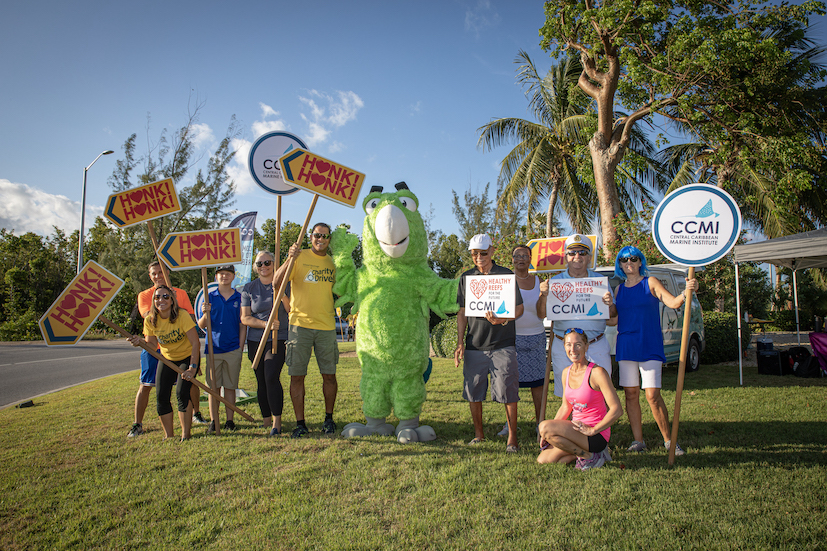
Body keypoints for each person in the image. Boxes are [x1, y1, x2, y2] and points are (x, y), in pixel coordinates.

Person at [609, 246, 698, 455]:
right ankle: (638, 441)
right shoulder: (618, 290)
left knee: (652, 395)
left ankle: (669, 441)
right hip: (626, 346)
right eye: (624, 259)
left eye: (633, 258)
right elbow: (613, 320)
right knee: (630, 394)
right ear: (619, 264)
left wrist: (686, 292)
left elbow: (673, 302)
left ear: (640, 262)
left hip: (649, 344)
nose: (628, 262)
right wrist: (595, 311)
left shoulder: (650, 282)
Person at [454, 234, 524, 453]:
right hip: (474, 345)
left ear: (492, 251)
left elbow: (519, 308)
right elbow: (462, 312)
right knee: (473, 391)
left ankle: (512, 438)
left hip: (503, 344)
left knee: (508, 391)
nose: (479, 257)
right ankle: (479, 435)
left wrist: (503, 319)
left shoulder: (506, 275)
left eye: (483, 253)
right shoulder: (466, 278)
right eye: (474, 253)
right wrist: (460, 342)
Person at [274, 224, 339, 438]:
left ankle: (329, 419)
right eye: (317, 235)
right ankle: (300, 424)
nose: (321, 239)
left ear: (329, 239)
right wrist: (289, 258)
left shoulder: (333, 263)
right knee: (296, 376)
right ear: (311, 237)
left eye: (325, 236)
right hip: (299, 325)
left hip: (326, 326)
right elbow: (276, 282)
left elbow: (342, 290)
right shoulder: (299, 256)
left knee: (329, 375)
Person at [540, 234, 617, 399]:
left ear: (589, 258)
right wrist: (543, 295)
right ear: (565, 257)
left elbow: (613, 316)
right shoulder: (555, 281)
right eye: (572, 253)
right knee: (567, 395)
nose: (577, 256)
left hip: (595, 345)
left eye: (582, 253)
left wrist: (610, 304)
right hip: (564, 346)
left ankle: (601, 417)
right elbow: (541, 314)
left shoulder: (600, 281)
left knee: (601, 393)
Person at [128, 261, 197, 438]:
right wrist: (140, 342)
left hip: (185, 356)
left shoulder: (181, 313)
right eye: (158, 298)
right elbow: (151, 344)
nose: (161, 300)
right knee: (159, 394)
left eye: (166, 297)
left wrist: (193, 367)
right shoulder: (150, 317)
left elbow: (195, 341)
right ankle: (168, 435)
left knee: (182, 392)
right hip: (165, 357)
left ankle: (186, 433)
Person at [537, 328, 623, 469]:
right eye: (569, 345)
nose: (573, 349)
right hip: (576, 430)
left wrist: (593, 430)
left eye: (578, 345)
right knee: (543, 459)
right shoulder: (566, 372)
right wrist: (547, 435)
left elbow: (617, 410)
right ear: (564, 347)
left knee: (544, 426)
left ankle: (588, 456)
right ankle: (591, 455)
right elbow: (566, 407)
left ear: (586, 346)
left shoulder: (597, 373)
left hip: (595, 434)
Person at [497, 244, 546, 438]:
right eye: (517, 255)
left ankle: (540, 423)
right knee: (510, 384)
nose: (521, 259)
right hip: (511, 339)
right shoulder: (505, 282)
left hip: (536, 338)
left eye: (525, 255)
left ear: (530, 259)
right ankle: (509, 425)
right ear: (512, 259)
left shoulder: (539, 282)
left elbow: (543, 312)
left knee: (538, 385)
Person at [241, 251, 290, 437]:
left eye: (267, 262)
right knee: (261, 380)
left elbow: (291, 309)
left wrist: (281, 291)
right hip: (255, 340)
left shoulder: (285, 283)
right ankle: (266, 420)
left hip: (278, 338)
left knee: (271, 376)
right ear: (255, 267)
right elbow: (245, 318)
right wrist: (266, 324)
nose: (263, 266)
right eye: (259, 263)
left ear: (274, 264)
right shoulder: (249, 288)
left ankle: (277, 422)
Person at [198, 265, 246, 434]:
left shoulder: (239, 298)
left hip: (233, 348)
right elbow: (201, 325)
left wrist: (240, 347)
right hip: (213, 349)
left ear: (233, 276)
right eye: (221, 273)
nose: (224, 276)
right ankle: (214, 420)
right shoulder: (209, 297)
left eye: (228, 273)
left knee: (230, 387)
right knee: (214, 388)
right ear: (216, 277)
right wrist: (205, 312)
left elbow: (243, 326)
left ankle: (230, 421)